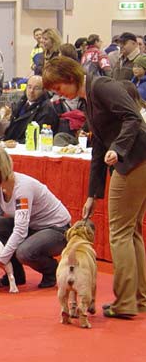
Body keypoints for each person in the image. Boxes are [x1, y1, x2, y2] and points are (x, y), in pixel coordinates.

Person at [43, 56, 146, 318]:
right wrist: (92, 194)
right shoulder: (89, 98)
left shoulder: (102, 86)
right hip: (132, 160)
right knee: (131, 231)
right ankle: (138, 298)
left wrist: (119, 149)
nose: (57, 95)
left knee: (120, 233)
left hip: (135, 160)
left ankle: (125, 302)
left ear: (69, 78)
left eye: (57, 88)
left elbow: (133, 118)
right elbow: (98, 146)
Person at [0, 145, 71, 288]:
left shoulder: (22, 189)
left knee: (24, 252)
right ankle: (15, 275)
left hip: (57, 229)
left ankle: (52, 271)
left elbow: (20, 230)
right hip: (33, 227)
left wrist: (1, 260)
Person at [1, 75, 59, 142]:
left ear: (44, 90)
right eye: (29, 87)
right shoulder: (21, 102)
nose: (31, 91)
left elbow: (37, 138)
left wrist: (15, 143)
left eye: (36, 88)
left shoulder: (47, 110)